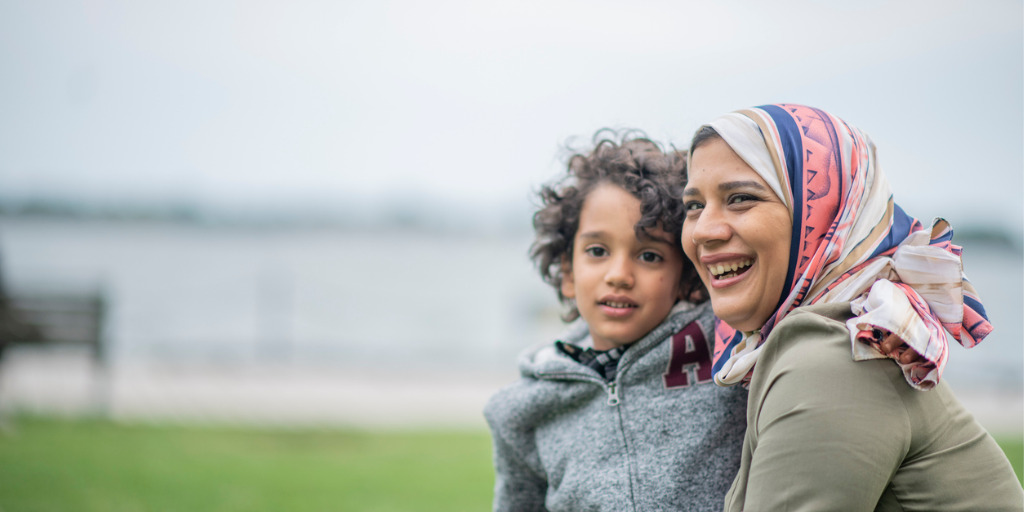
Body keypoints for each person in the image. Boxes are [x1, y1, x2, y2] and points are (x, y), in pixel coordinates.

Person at [681, 103, 1023, 511]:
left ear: (826, 216)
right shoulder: (863, 333)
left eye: (739, 198)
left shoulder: (833, 357)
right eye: (693, 206)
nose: (703, 230)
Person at [484, 131, 747, 512]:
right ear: (568, 272)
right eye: (597, 251)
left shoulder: (730, 352)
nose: (619, 274)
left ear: (686, 277)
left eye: (650, 256)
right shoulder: (523, 408)